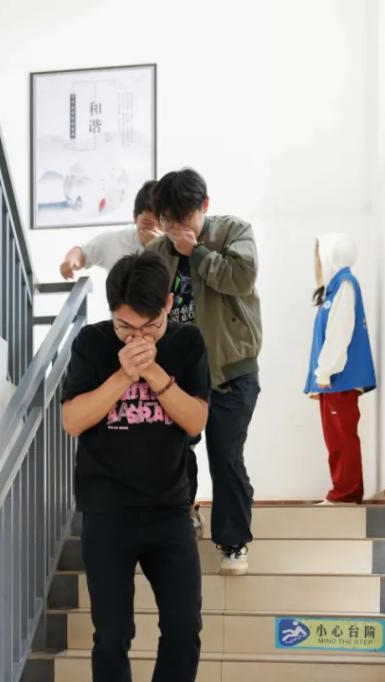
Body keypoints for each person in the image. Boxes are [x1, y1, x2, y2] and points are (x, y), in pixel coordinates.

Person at [61, 252, 210, 682]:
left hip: (170, 510)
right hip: (107, 513)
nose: (137, 338)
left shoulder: (187, 342)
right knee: (111, 636)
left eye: (150, 327)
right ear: (112, 314)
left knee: (184, 629)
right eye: (125, 328)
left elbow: (196, 420)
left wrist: (155, 373)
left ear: (168, 304)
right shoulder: (92, 343)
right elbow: (72, 420)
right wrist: (124, 375)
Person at [146, 168, 262, 576]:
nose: (175, 229)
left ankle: (233, 542)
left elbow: (241, 278)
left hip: (232, 369)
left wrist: (196, 253)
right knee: (174, 452)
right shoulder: (156, 252)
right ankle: (185, 515)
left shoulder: (233, 232)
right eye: (167, 220)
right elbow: (141, 302)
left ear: (205, 207)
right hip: (178, 376)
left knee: (225, 455)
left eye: (184, 218)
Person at [305, 233, 376, 504]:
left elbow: (340, 332)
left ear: (330, 255)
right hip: (334, 380)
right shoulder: (335, 289)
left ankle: (345, 493)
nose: (316, 263)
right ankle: (343, 491)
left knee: (342, 438)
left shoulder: (345, 284)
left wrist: (325, 371)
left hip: (339, 379)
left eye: (318, 256)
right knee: (335, 438)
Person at [59, 181, 162, 280]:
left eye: (161, 223)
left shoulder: (170, 248)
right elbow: (82, 253)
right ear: (135, 217)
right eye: (148, 223)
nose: (155, 229)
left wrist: (158, 247)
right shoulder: (115, 240)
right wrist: (71, 261)